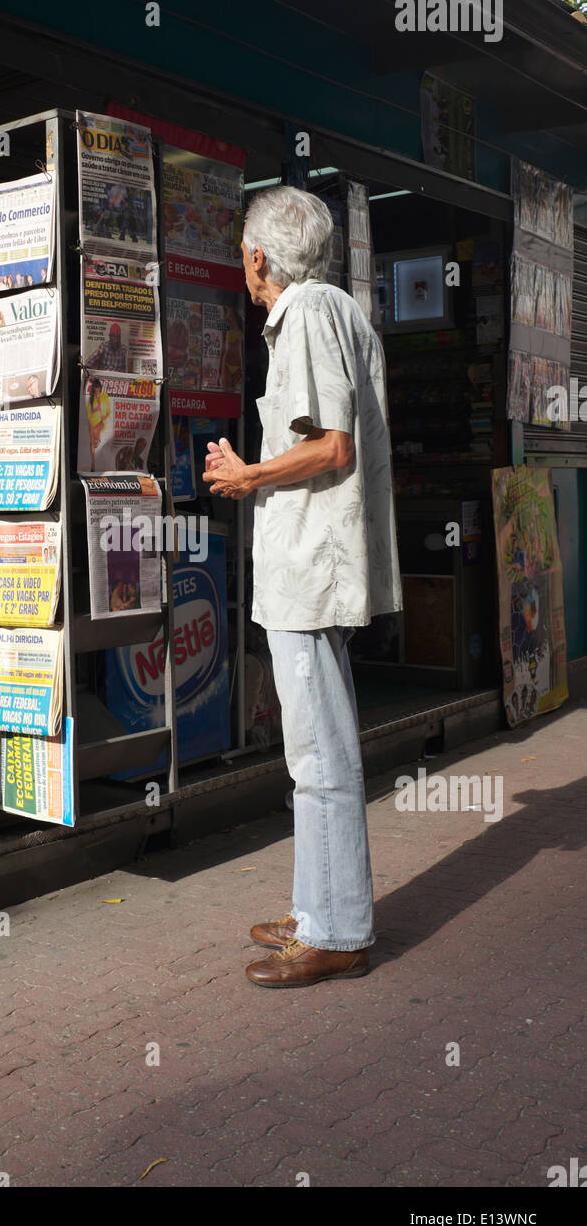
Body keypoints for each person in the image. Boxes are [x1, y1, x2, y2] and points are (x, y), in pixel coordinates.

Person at [203, 185, 402, 989]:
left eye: (242, 253)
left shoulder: (312, 314)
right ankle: (315, 908)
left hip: (310, 568)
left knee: (320, 755)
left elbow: (332, 449)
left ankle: (340, 929)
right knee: (313, 749)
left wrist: (248, 474)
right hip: (313, 566)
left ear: (256, 255)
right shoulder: (335, 310)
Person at [85, 377, 111, 472]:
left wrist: (105, 416)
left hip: (101, 421)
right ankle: (93, 464)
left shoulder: (104, 396)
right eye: (95, 388)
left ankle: (98, 439)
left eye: (98, 387)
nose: (97, 390)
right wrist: (96, 408)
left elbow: (109, 411)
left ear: (100, 387)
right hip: (92, 421)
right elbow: (88, 413)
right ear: (93, 389)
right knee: (92, 442)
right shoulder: (91, 399)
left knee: (95, 431)